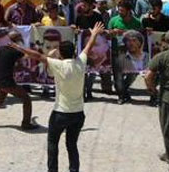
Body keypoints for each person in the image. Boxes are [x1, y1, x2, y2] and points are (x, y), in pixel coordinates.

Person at [11, 22, 105, 172]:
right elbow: (89, 46)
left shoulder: (58, 65)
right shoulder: (81, 62)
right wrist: (94, 33)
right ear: (74, 52)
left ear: (60, 53)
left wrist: (20, 48)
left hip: (60, 113)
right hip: (78, 114)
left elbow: (38, 55)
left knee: (52, 143)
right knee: (72, 145)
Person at [145, 30, 169, 172]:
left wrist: (152, 89)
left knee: (168, 130)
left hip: (168, 98)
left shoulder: (162, 56)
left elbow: (149, 75)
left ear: (166, 41)